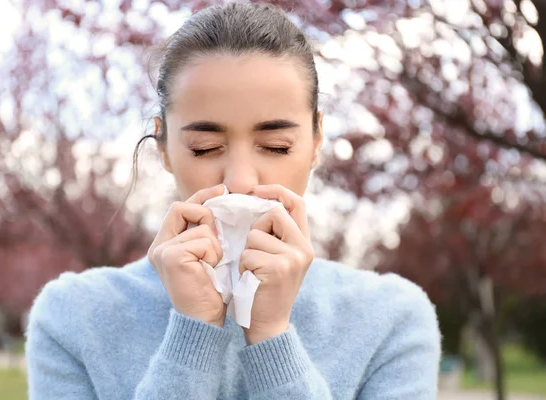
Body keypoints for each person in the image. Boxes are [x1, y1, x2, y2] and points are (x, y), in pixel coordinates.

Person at [25, 3, 441, 399]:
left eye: (276, 146)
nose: (240, 181)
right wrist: (194, 331)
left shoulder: (393, 320)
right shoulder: (73, 317)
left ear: (316, 140)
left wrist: (271, 335)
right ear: (164, 147)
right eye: (205, 148)